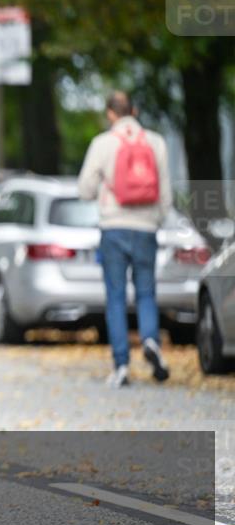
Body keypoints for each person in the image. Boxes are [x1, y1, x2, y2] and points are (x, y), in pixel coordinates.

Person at [79, 91, 172, 388]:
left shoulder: (103, 143)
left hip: (114, 228)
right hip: (146, 229)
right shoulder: (156, 142)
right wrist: (156, 220)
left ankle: (121, 365)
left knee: (116, 297)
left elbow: (85, 189)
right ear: (135, 110)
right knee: (146, 293)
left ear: (110, 114)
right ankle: (150, 340)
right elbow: (166, 193)